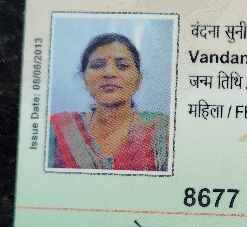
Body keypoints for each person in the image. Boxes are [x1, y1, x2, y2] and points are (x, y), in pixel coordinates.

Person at [49, 33, 169, 171]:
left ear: (139, 80)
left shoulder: (163, 130)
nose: (109, 73)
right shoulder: (59, 129)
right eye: (97, 65)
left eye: (122, 65)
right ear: (84, 79)